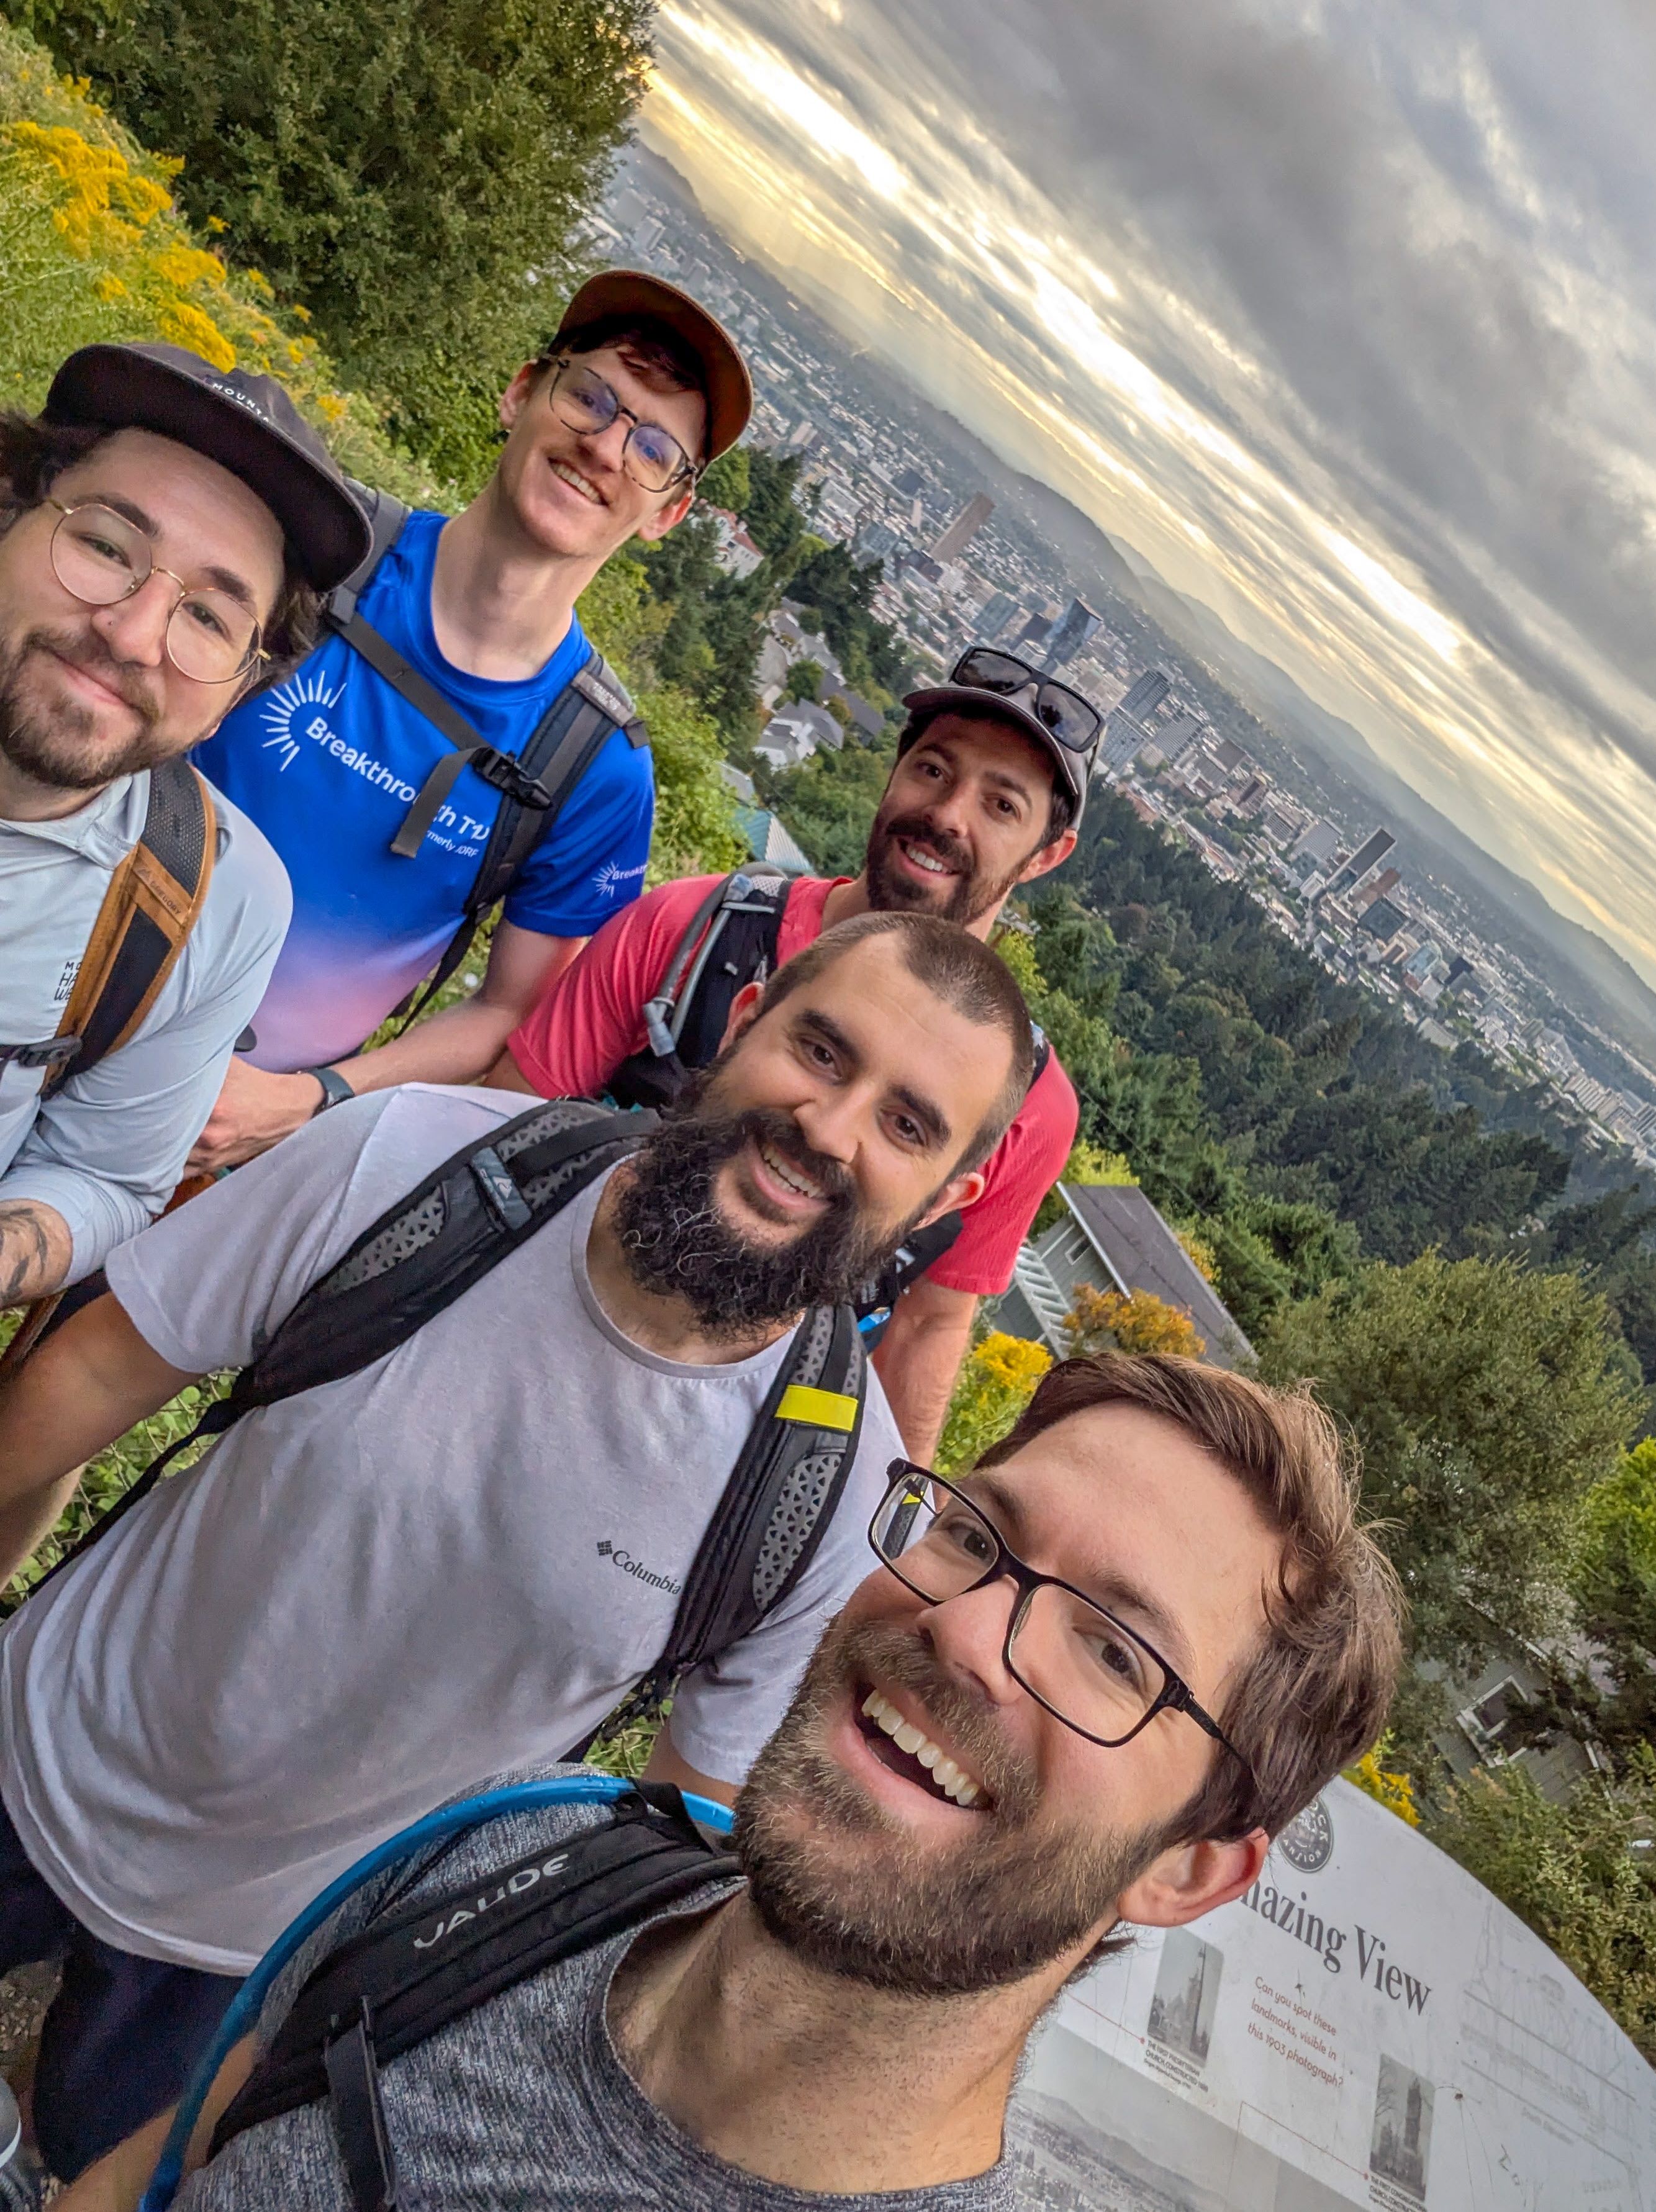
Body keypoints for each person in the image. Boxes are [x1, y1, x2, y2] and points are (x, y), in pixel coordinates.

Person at [0, 910, 1035, 2182]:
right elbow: (103, 1367)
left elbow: (683, 1831)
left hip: (270, 1962)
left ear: (955, 1193)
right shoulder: (420, 1161)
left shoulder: (824, 1496)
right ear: (750, 1009)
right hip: (38, 1741)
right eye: (822, 1051)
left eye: (908, 1124)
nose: (830, 1128)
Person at [67, 1351, 1404, 2210]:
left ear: (1189, 1867)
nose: (968, 1628)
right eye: (974, 1534)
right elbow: (157, 2174)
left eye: (1113, 1654)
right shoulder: (512, 1857)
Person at [186, 271, 754, 1172]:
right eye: (591, 396)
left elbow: (512, 1009)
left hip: (231, 1134)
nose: (606, 447)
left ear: (670, 512)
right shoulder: (324, 542)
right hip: (56, 964)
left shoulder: (598, 768)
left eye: (653, 448)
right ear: (523, 390)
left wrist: (310, 1102)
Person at [492, 646, 1103, 1458]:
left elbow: (929, 1323)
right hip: (534, 1336)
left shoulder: (1027, 1108)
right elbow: (510, 1121)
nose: (950, 815)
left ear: (1046, 854)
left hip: (718, 1457)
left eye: (1001, 805)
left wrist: (876, 1547)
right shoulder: (691, 932)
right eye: (933, 771)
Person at [0, 343, 366, 1312]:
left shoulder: (213, 899)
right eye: (107, 546)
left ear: (236, 694)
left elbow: (110, 1177)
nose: (131, 635)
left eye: (205, 617)